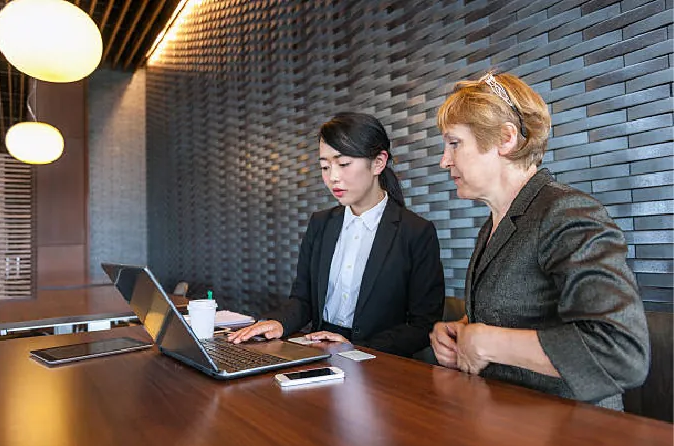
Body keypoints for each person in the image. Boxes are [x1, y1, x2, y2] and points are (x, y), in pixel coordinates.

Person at [427, 72, 648, 409]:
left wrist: (489, 342)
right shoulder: (494, 223)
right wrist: (462, 330)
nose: (444, 161)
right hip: (504, 417)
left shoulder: (567, 212)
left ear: (505, 138)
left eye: (454, 143)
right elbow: (520, 312)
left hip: (573, 425)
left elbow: (620, 353)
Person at [228, 112, 445, 358]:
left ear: (378, 162)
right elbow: (303, 299)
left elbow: (422, 325)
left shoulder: (416, 232)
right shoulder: (321, 224)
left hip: (378, 361)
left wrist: (357, 347)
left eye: (343, 164)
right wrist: (279, 322)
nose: (332, 177)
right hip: (320, 352)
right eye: (325, 166)